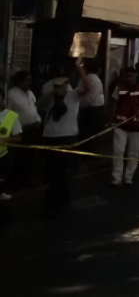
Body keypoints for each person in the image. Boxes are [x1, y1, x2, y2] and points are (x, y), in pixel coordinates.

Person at [41, 63, 91, 217]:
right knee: (53, 171)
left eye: (61, 85)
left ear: (66, 85)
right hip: (50, 136)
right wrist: (52, 93)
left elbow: (87, 88)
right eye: (56, 85)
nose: (59, 88)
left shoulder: (72, 95)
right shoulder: (51, 97)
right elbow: (37, 104)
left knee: (61, 171)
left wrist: (80, 69)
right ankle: (59, 199)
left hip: (66, 136)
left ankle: (56, 201)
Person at [110, 68, 139, 186]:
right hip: (120, 125)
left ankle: (128, 177)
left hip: (136, 126)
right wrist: (110, 121)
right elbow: (114, 105)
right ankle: (116, 178)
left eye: (130, 76)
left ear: (135, 76)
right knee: (118, 151)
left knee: (133, 153)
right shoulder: (119, 87)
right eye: (126, 76)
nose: (128, 78)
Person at [7, 71, 42, 190]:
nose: (30, 82)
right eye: (27, 80)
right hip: (22, 131)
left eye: (30, 79)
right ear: (19, 82)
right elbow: (8, 113)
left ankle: (27, 181)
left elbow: (33, 108)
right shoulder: (12, 94)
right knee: (21, 158)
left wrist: (37, 120)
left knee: (31, 157)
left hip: (34, 129)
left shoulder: (30, 93)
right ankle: (17, 183)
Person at [77, 58, 105, 151]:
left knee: (87, 132)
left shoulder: (83, 78)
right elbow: (92, 96)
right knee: (94, 133)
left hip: (87, 109)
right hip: (94, 110)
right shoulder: (95, 79)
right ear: (98, 69)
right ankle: (91, 152)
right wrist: (84, 105)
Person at [0, 89, 24, 200]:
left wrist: (5, 139)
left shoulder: (11, 116)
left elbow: (18, 138)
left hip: (2, 155)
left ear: (3, 99)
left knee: (1, 177)